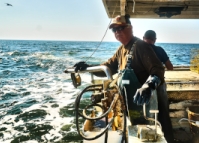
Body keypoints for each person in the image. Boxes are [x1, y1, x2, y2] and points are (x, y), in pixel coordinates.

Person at [73, 14, 174, 143]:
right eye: (114, 30)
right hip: (133, 105)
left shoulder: (141, 46)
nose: (117, 32)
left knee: (162, 126)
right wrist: (88, 67)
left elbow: (158, 69)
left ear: (130, 28)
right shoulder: (121, 50)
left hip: (152, 101)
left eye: (120, 28)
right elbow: (108, 67)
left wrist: (149, 85)